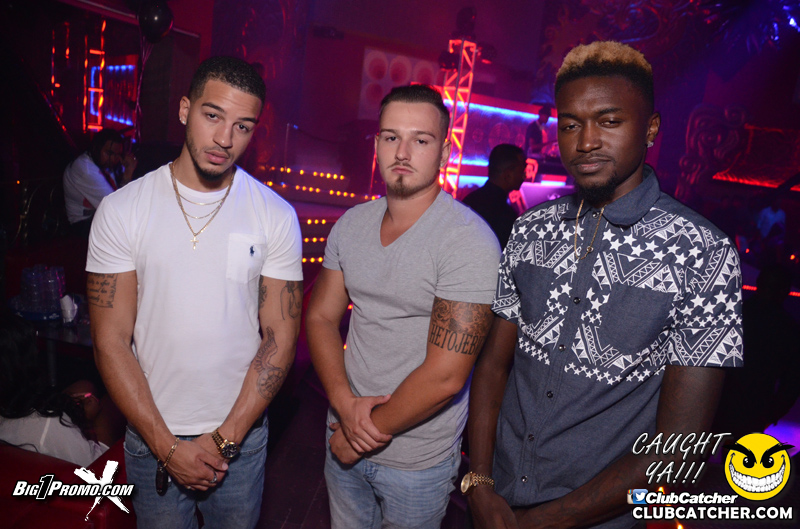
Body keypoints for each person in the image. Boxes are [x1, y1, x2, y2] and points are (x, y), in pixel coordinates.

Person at [466, 41, 743, 529]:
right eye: (571, 124)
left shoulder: (704, 253)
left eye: (609, 121)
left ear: (651, 129)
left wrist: (545, 521)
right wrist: (480, 484)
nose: (586, 141)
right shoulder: (531, 229)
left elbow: (679, 449)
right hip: (494, 507)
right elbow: (492, 366)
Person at [87, 56, 303, 528]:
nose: (225, 139)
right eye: (213, 116)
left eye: (243, 126)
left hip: (240, 441)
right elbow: (109, 341)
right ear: (185, 109)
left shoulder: (275, 215)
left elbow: (280, 339)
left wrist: (226, 439)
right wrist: (167, 447)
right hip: (151, 437)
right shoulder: (123, 210)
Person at [306, 84, 501, 529]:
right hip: (342, 427)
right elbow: (320, 318)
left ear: (444, 152)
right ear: (376, 144)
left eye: (421, 139)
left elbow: (446, 377)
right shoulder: (352, 224)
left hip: (416, 461)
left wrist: (360, 435)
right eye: (392, 137)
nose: (403, 152)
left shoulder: (467, 242)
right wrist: (343, 404)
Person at [0, 310, 122, 466]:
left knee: (85, 386)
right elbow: (93, 469)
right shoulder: (46, 424)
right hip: (96, 466)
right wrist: (92, 421)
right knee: (112, 400)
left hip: (26, 422)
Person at [63, 128, 138, 237]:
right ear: (96, 148)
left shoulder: (104, 164)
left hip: (99, 217)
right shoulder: (86, 170)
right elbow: (115, 208)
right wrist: (128, 173)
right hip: (82, 224)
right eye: (109, 153)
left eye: (117, 155)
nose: (113, 159)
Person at [462, 144, 526, 247]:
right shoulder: (505, 215)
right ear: (508, 175)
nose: (524, 176)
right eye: (521, 171)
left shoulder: (468, 202)